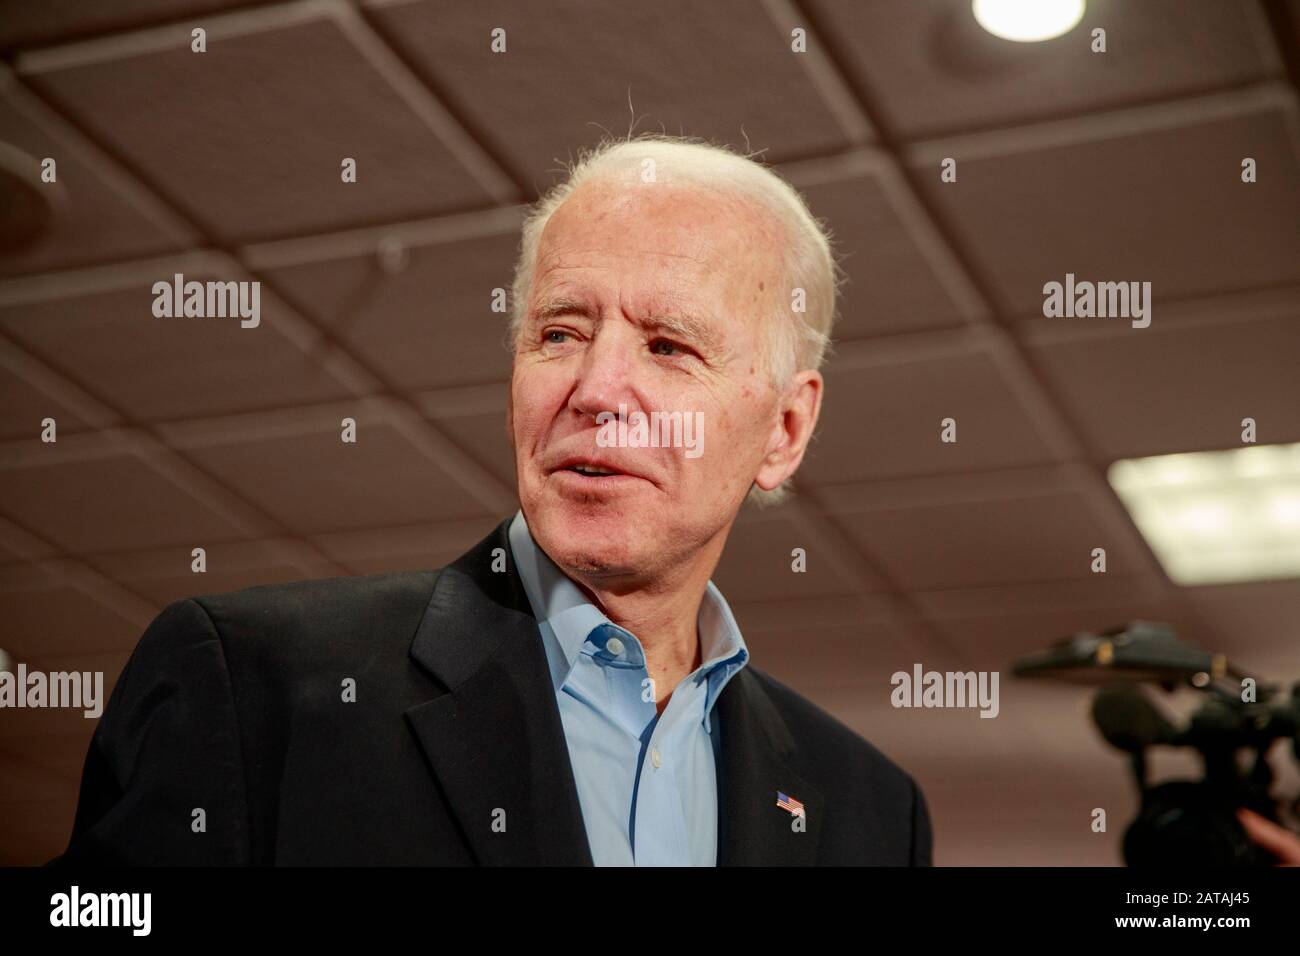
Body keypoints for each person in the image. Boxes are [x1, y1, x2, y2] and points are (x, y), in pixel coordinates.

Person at [53, 134, 932, 866]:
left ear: (784, 428)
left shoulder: (871, 813)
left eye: (668, 346)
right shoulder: (254, 688)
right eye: (560, 333)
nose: (596, 388)